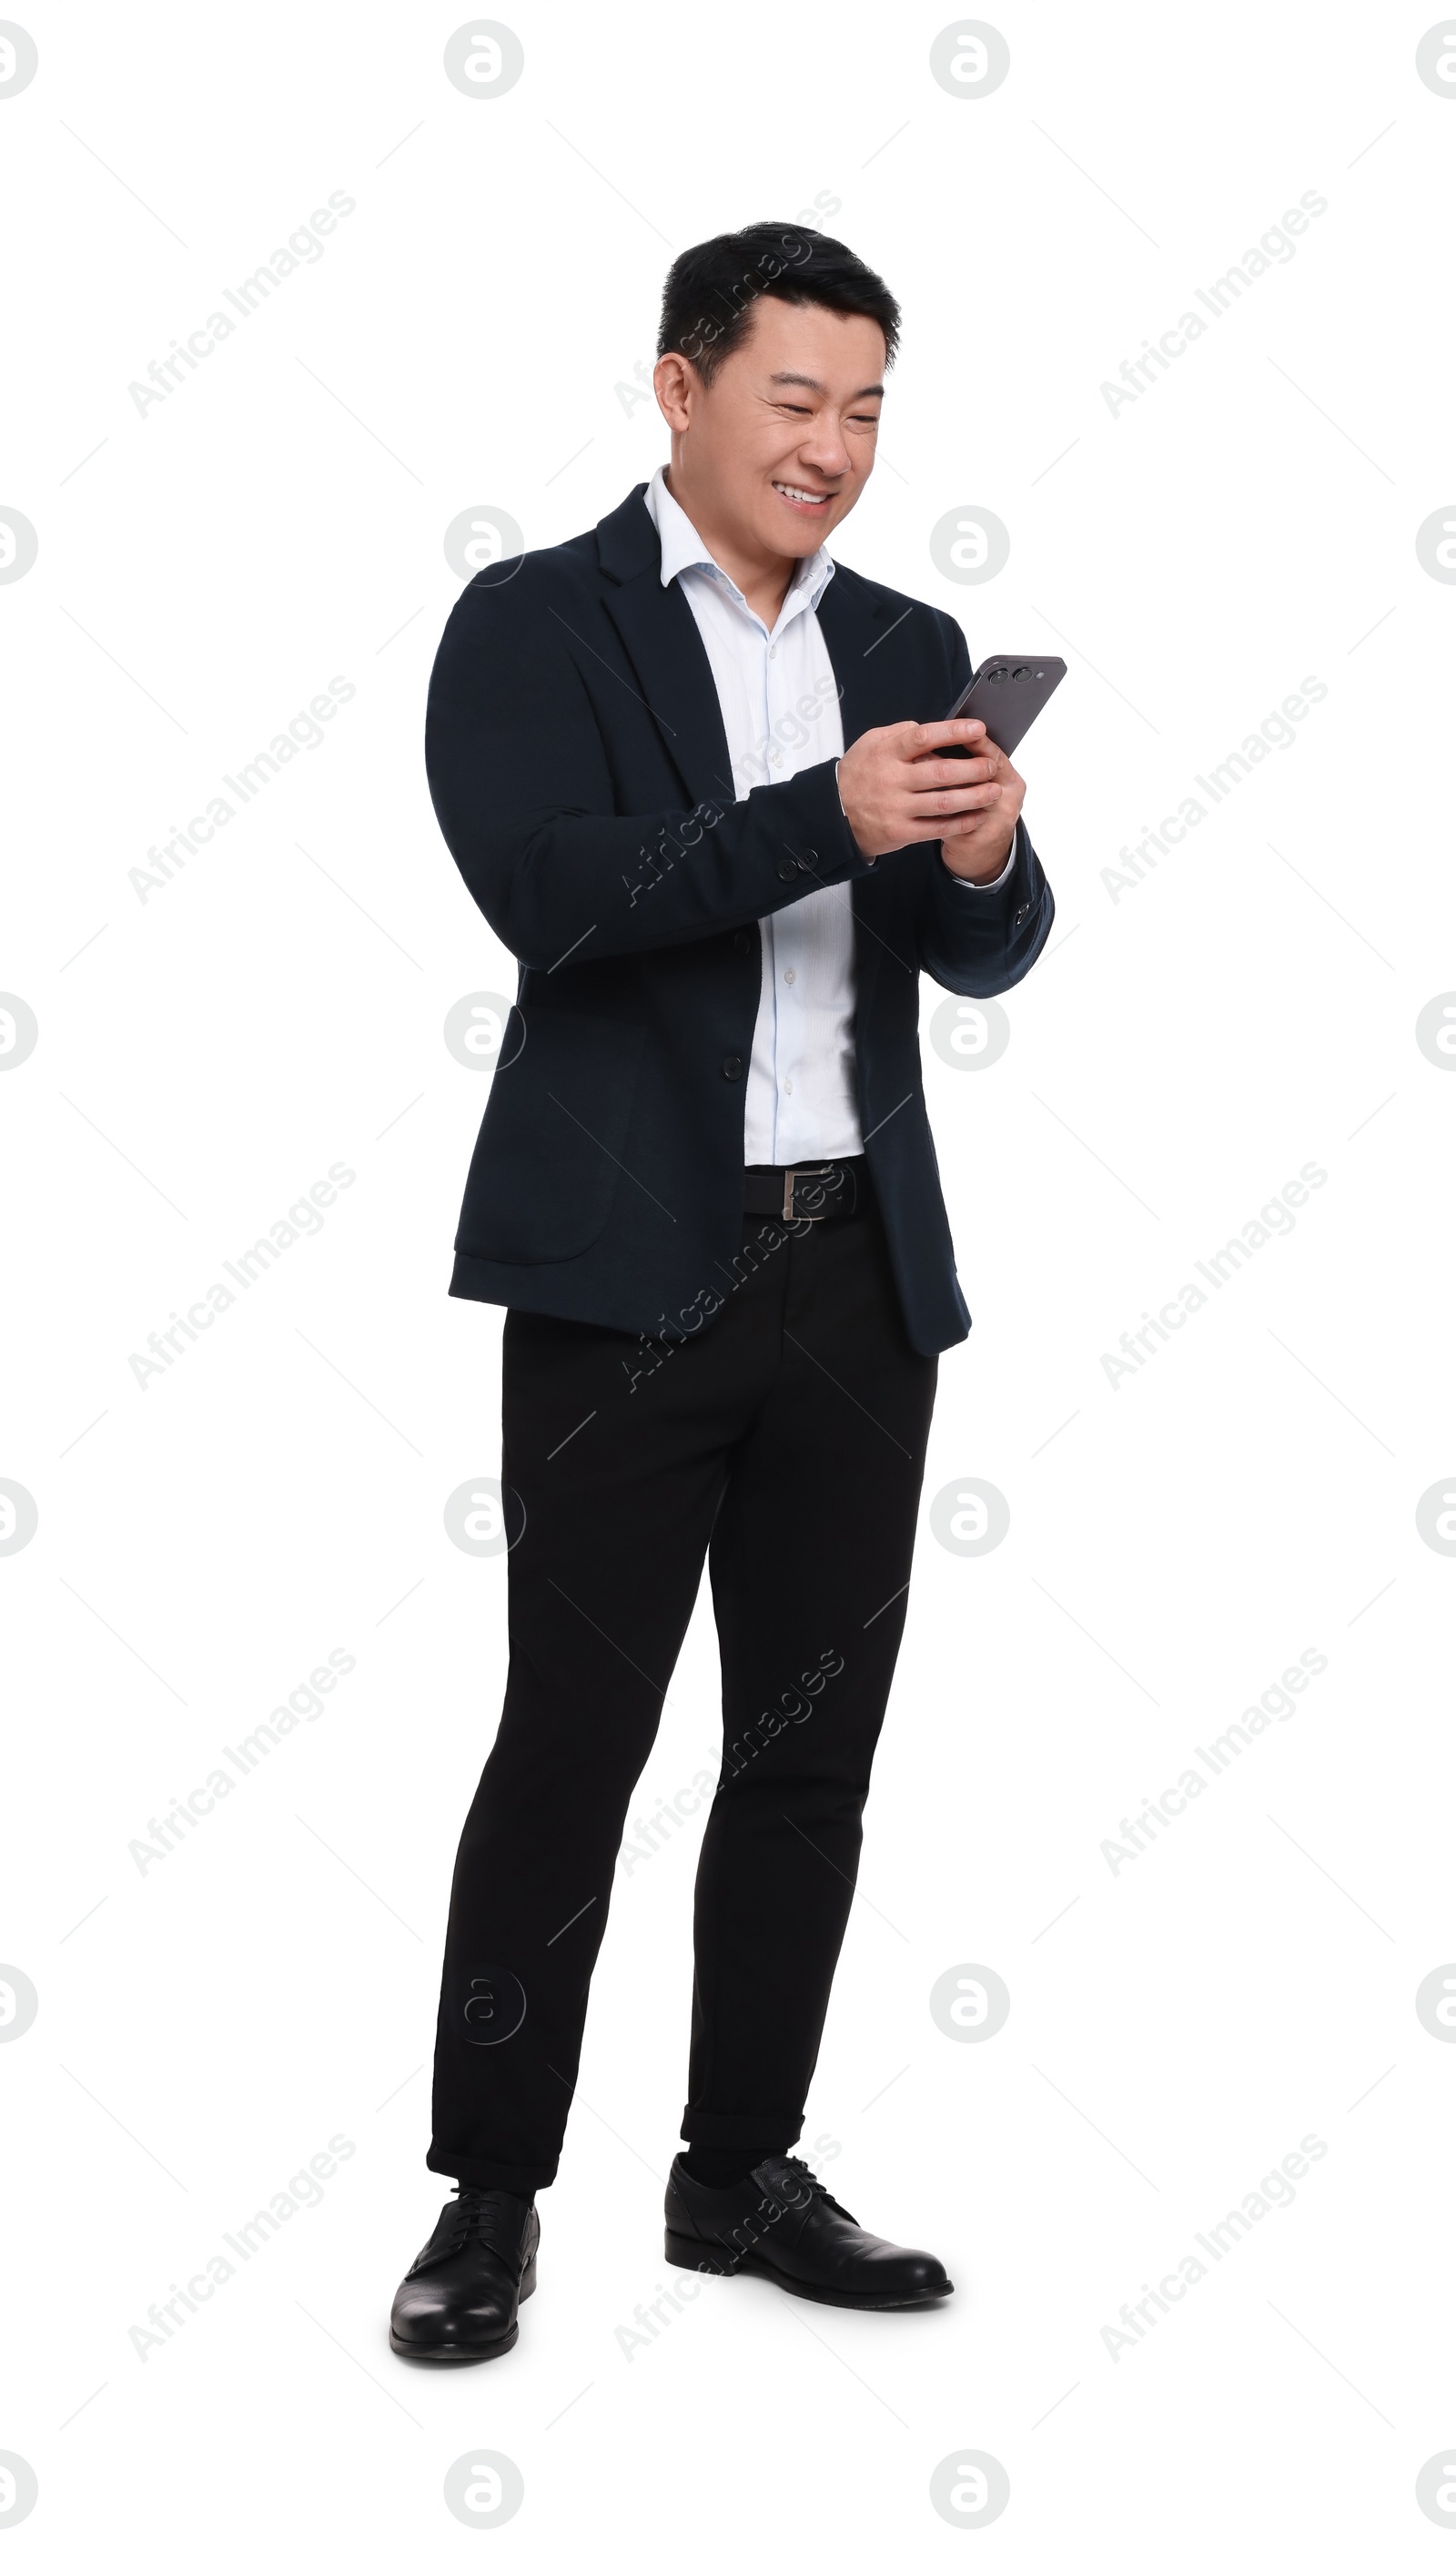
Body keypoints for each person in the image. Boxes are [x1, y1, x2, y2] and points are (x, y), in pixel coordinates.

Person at [389, 221, 1055, 2361]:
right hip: (620, 1279)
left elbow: (976, 955)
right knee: (569, 1744)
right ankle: (488, 2196)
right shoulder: (530, 621)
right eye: (794, 399)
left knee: (805, 1749)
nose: (833, 448)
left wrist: (970, 858)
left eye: (866, 411)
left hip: (851, 1275)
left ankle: (737, 2166)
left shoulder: (906, 634)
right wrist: (818, 814)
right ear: (678, 391)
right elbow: (553, 895)